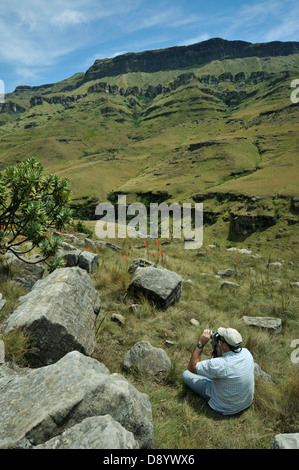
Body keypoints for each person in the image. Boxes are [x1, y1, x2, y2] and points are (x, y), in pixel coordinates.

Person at [182, 327, 254, 415]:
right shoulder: (247, 353)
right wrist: (217, 348)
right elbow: (224, 368)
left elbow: (192, 367)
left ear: (224, 345)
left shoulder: (220, 364)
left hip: (223, 406)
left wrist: (201, 343)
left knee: (186, 374)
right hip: (244, 403)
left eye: (220, 339)